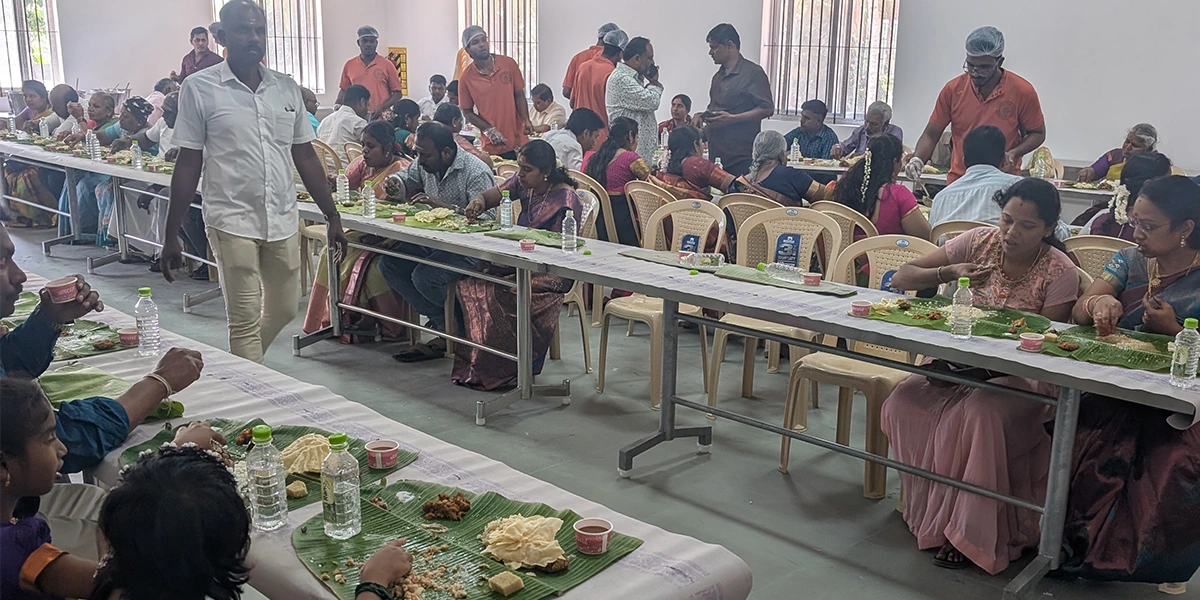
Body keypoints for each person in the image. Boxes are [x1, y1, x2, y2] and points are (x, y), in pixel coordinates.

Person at [882, 178, 1078, 574]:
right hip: (960, 368)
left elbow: (1045, 350)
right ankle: (932, 513)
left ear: (1047, 228)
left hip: (1022, 380)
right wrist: (948, 271)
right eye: (1006, 220)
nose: (1010, 232)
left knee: (981, 412)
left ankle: (969, 533)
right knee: (903, 399)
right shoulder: (978, 242)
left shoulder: (1060, 271)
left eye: (1026, 226)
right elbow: (901, 277)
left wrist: (981, 367)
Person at [163, 0, 346, 363]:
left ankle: (240, 372)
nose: (254, 38)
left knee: (285, 308)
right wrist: (171, 233)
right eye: (244, 30)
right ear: (222, 36)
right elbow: (188, 162)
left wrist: (332, 215)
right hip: (230, 217)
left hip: (281, 216)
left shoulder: (285, 88)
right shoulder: (199, 88)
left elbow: (305, 155)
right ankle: (253, 391)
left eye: (260, 30)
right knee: (244, 321)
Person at [1061, 175, 1200, 585]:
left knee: (1174, 462)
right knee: (1082, 430)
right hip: (1117, 385)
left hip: (1182, 402)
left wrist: (1175, 331)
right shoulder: (1130, 260)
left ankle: (1133, 559)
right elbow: (1079, 311)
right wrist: (1099, 301)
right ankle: (1073, 546)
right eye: (1134, 221)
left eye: (1148, 226)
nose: (1136, 233)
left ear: (1186, 228)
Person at [457, 140, 584, 389]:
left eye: (527, 169)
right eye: (519, 167)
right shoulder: (522, 183)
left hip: (550, 271)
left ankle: (510, 368)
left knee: (500, 291)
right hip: (520, 259)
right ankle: (479, 365)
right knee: (470, 280)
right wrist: (478, 202)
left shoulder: (565, 199)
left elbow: (558, 251)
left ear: (545, 172)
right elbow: (491, 196)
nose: (520, 174)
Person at [378, 122, 496, 362]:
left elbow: (486, 222)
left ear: (446, 152)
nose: (419, 160)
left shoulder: (475, 172)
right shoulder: (425, 163)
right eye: (418, 153)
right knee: (390, 264)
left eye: (425, 155)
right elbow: (407, 177)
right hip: (436, 242)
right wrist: (395, 183)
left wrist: (443, 207)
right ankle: (447, 325)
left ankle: (458, 326)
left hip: (470, 248)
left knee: (425, 276)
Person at [304, 120, 412, 342]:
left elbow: (398, 211)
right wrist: (332, 183)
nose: (364, 150)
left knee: (365, 267)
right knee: (330, 252)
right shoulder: (364, 164)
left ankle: (382, 326)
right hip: (363, 232)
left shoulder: (401, 170)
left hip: (389, 238)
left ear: (388, 149)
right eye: (363, 145)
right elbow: (344, 182)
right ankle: (330, 320)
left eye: (370, 146)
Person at [906, 26, 1046, 184]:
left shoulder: (1022, 91)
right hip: (960, 180)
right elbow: (931, 134)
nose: (975, 72)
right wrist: (918, 159)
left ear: (999, 62)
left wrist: (1014, 153)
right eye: (971, 65)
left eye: (984, 67)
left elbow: (1038, 133)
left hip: (1003, 180)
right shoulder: (953, 90)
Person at [693, 23, 774, 176]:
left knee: (738, 190)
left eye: (714, 47)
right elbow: (715, 108)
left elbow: (768, 108)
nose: (710, 52)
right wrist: (701, 115)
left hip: (741, 155)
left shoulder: (753, 73)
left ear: (730, 45)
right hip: (717, 153)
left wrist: (733, 118)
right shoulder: (718, 76)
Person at [833, 133, 931, 239]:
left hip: (849, 249)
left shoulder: (845, 187)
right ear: (895, 162)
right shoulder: (897, 195)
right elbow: (926, 236)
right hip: (885, 250)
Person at [458, 26, 531, 159]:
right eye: (475, 42)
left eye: (483, 40)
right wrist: (488, 129)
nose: (482, 45)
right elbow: (467, 112)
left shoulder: (508, 64)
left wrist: (526, 119)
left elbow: (519, 94)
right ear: (467, 50)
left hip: (519, 139)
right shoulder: (466, 78)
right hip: (494, 144)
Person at [928, 125, 1022, 227]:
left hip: (948, 238)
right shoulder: (1018, 188)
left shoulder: (940, 198)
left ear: (964, 161)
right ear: (1004, 159)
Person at [582, 116, 647, 245]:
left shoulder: (595, 156)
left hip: (597, 217)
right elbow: (648, 179)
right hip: (621, 220)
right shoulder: (630, 158)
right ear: (631, 136)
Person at [1082, 152, 1173, 241]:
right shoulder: (1159, 233)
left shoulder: (1100, 221)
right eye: (1167, 181)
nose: (1170, 186)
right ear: (1148, 185)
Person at [606, 36, 662, 163]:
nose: (652, 63)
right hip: (628, 158)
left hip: (639, 157)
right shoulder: (621, 79)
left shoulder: (634, 79)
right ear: (637, 59)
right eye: (649, 58)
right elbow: (652, 102)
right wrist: (654, 83)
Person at [735, 130, 828, 205]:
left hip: (750, 224)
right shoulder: (792, 175)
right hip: (786, 223)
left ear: (754, 153)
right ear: (782, 155)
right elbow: (825, 195)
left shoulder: (741, 183)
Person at [571, 28, 626, 144]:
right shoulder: (613, 73)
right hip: (599, 136)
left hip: (578, 136)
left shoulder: (583, 67)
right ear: (620, 54)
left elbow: (572, 102)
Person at [651, 125, 735, 201]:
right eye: (701, 143)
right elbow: (734, 185)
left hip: (667, 212)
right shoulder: (698, 165)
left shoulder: (663, 164)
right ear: (695, 145)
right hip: (697, 212)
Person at [337, 25, 403, 117]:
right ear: (358, 43)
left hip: (380, 117)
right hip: (355, 117)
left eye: (372, 41)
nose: (368, 44)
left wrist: (382, 107)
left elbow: (397, 94)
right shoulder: (349, 65)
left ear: (376, 43)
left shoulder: (387, 65)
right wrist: (337, 108)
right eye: (365, 41)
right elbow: (344, 90)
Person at [1077, 123, 1158, 183]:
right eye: (1127, 141)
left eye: (1135, 145)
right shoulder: (1114, 155)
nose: (1128, 147)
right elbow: (1095, 170)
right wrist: (1088, 172)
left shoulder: (1157, 164)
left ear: (1149, 149)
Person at [563, 22, 620, 100]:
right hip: (602, 107)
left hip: (579, 107)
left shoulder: (577, 58)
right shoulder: (612, 59)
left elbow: (566, 91)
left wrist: (581, 100)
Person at [319, 83, 371, 164]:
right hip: (345, 169)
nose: (367, 110)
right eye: (367, 105)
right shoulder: (358, 122)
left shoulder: (325, 121)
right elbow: (371, 147)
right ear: (362, 102)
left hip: (324, 169)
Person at [832, 100, 902, 159]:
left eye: (873, 124)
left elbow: (890, 156)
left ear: (885, 124)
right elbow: (844, 147)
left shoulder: (894, 133)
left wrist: (863, 157)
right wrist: (838, 148)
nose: (867, 127)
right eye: (866, 121)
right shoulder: (860, 131)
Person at [433, 103, 494, 168]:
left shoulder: (431, 136)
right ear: (454, 122)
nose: (461, 124)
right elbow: (486, 163)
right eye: (460, 121)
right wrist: (484, 155)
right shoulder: (456, 139)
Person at [543, 107, 605, 171]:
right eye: (595, 137)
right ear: (586, 133)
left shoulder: (549, 134)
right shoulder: (573, 146)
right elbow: (577, 175)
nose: (594, 143)